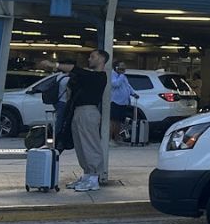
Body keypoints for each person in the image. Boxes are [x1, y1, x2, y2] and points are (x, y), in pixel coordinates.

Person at [65, 49, 110, 192]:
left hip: (88, 111)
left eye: (93, 57)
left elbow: (77, 70)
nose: (89, 59)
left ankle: (94, 177)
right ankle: (87, 175)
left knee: (90, 144)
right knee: (81, 145)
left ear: (102, 59)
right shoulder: (87, 76)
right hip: (78, 111)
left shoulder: (100, 76)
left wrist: (54, 64)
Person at [33, 58, 75, 143]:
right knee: (62, 120)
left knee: (59, 119)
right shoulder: (68, 79)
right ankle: (57, 137)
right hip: (64, 102)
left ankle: (55, 136)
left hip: (57, 101)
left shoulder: (59, 76)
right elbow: (69, 92)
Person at [109, 61, 137, 144]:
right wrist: (121, 75)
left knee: (119, 121)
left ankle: (117, 138)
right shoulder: (112, 75)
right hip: (115, 101)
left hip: (123, 102)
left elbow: (128, 86)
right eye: (121, 67)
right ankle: (110, 139)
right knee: (113, 121)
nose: (123, 68)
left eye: (124, 67)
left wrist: (133, 93)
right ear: (116, 67)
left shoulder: (123, 76)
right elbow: (115, 84)